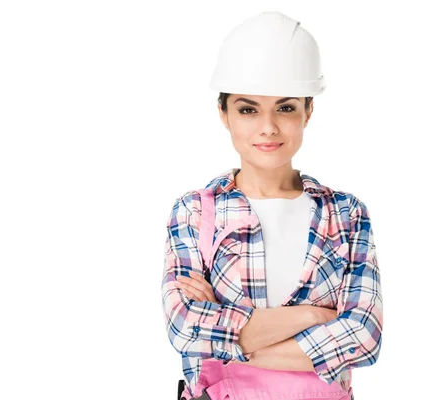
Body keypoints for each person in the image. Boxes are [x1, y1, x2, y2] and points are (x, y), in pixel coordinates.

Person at [161, 11, 383, 400]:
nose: (268, 127)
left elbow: (364, 338)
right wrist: (313, 316)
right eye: (248, 109)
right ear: (223, 115)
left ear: (307, 112)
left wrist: (228, 340)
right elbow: (184, 328)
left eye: (285, 108)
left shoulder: (346, 215)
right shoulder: (196, 212)